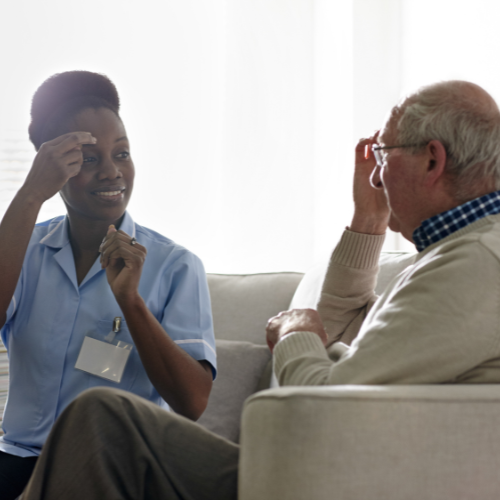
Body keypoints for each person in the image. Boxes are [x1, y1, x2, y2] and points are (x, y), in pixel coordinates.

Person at [20, 79, 500, 500]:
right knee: (100, 423)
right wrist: (368, 219)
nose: (375, 175)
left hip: (324, 478)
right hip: (325, 466)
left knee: (103, 418)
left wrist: (295, 333)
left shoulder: (472, 267)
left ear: (432, 160)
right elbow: (338, 328)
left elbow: (324, 404)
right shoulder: (456, 255)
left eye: (384, 155)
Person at [0, 71, 216, 500]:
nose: (113, 172)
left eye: (122, 153)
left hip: (111, 470)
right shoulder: (22, 248)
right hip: (16, 462)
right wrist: (30, 195)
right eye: (89, 159)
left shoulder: (176, 266)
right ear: (53, 166)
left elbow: (192, 403)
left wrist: (130, 302)